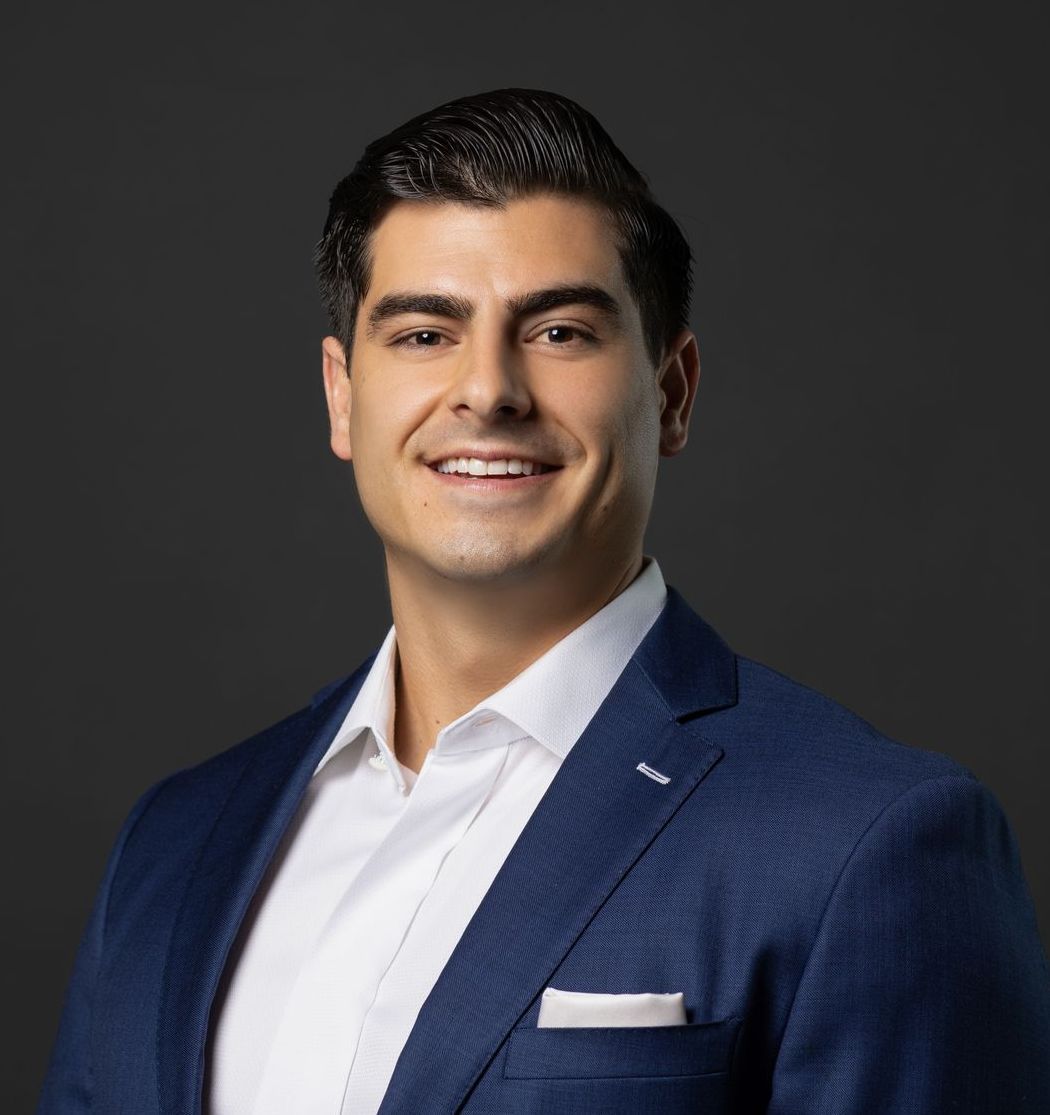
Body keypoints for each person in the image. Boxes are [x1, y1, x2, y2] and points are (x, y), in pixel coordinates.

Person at [38, 87, 1050, 1115]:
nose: (489, 390)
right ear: (342, 394)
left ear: (673, 392)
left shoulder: (865, 842)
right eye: (424, 334)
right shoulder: (173, 841)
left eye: (560, 331)